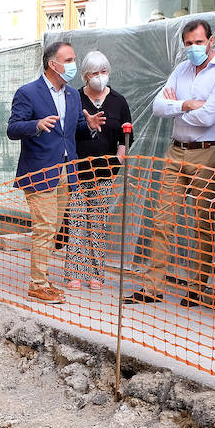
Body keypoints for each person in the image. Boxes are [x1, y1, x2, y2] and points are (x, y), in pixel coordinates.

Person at [126, 18, 215, 307]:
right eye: (188, 44)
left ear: (211, 40)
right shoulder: (181, 69)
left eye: (198, 42)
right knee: (162, 219)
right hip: (176, 151)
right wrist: (186, 105)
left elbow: (209, 117)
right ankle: (152, 287)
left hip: (208, 152)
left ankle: (198, 289)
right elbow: (157, 107)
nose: (193, 48)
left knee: (202, 222)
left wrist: (175, 107)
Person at [7, 41, 102, 304]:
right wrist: (36, 124)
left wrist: (90, 125)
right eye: (69, 60)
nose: (73, 64)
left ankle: (44, 279)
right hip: (38, 170)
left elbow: (76, 127)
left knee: (55, 227)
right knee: (45, 226)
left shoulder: (72, 95)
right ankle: (37, 284)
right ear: (53, 64)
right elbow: (13, 129)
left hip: (65, 171)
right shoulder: (28, 93)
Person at [66, 51, 133, 290]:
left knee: (98, 223)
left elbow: (127, 137)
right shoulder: (73, 97)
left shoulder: (118, 100)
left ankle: (96, 274)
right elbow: (67, 131)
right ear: (85, 76)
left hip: (105, 173)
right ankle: (74, 273)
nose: (100, 76)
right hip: (77, 170)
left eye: (103, 71)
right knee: (76, 221)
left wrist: (118, 161)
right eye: (95, 73)